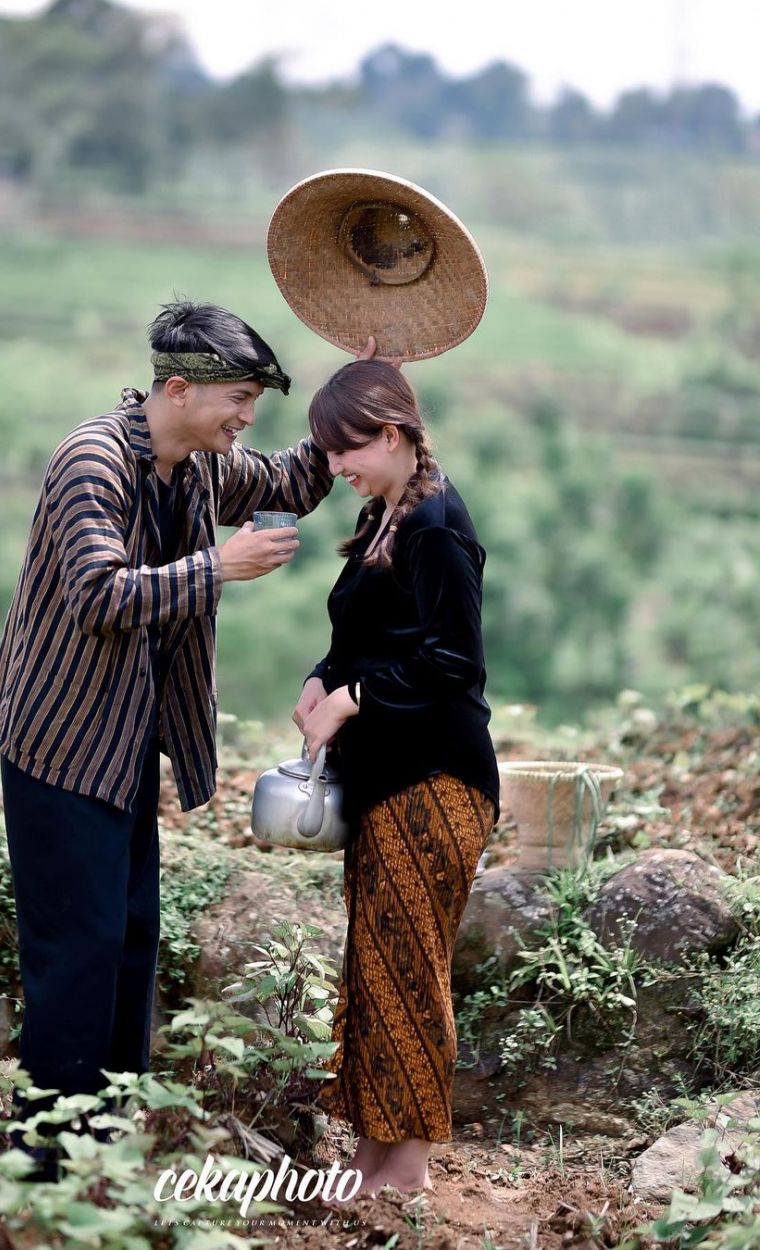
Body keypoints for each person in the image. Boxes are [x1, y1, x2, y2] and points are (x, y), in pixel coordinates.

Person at [0, 300, 373, 1156]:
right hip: (59, 743)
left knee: (127, 940)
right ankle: (46, 1156)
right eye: (238, 399)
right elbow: (101, 595)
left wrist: (363, 374)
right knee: (74, 950)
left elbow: (293, 481)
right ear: (178, 389)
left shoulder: (197, 465)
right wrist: (217, 566)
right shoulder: (93, 461)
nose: (247, 419)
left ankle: (105, 1142)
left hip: (124, 746)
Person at [293, 359, 500, 1199]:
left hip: (435, 780)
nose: (334, 468)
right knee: (376, 967)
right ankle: (372, 1157)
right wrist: (322, 677)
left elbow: (454, 661)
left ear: (392, 433)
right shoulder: (389, 515)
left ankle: (405, 1169)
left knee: (407, 967)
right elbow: (373, 635)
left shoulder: (435, 527)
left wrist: (353, 699)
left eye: (345, 450)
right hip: (389, 780)